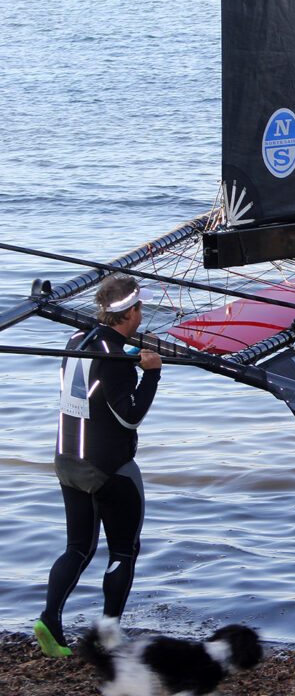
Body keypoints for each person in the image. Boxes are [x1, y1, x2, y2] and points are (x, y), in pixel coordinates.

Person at [34, 276, 162, 658]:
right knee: (123, 551)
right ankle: (109, 635)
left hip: (68, 460)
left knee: (77, 547)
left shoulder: (78, 339)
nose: (143, 315)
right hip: (109, 468)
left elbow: (98, 382)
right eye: (140, 309)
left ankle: (50, 622)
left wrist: (131, 353)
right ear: (131, 312)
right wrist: (152, 373)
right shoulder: (117, 359)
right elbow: (130, 417)